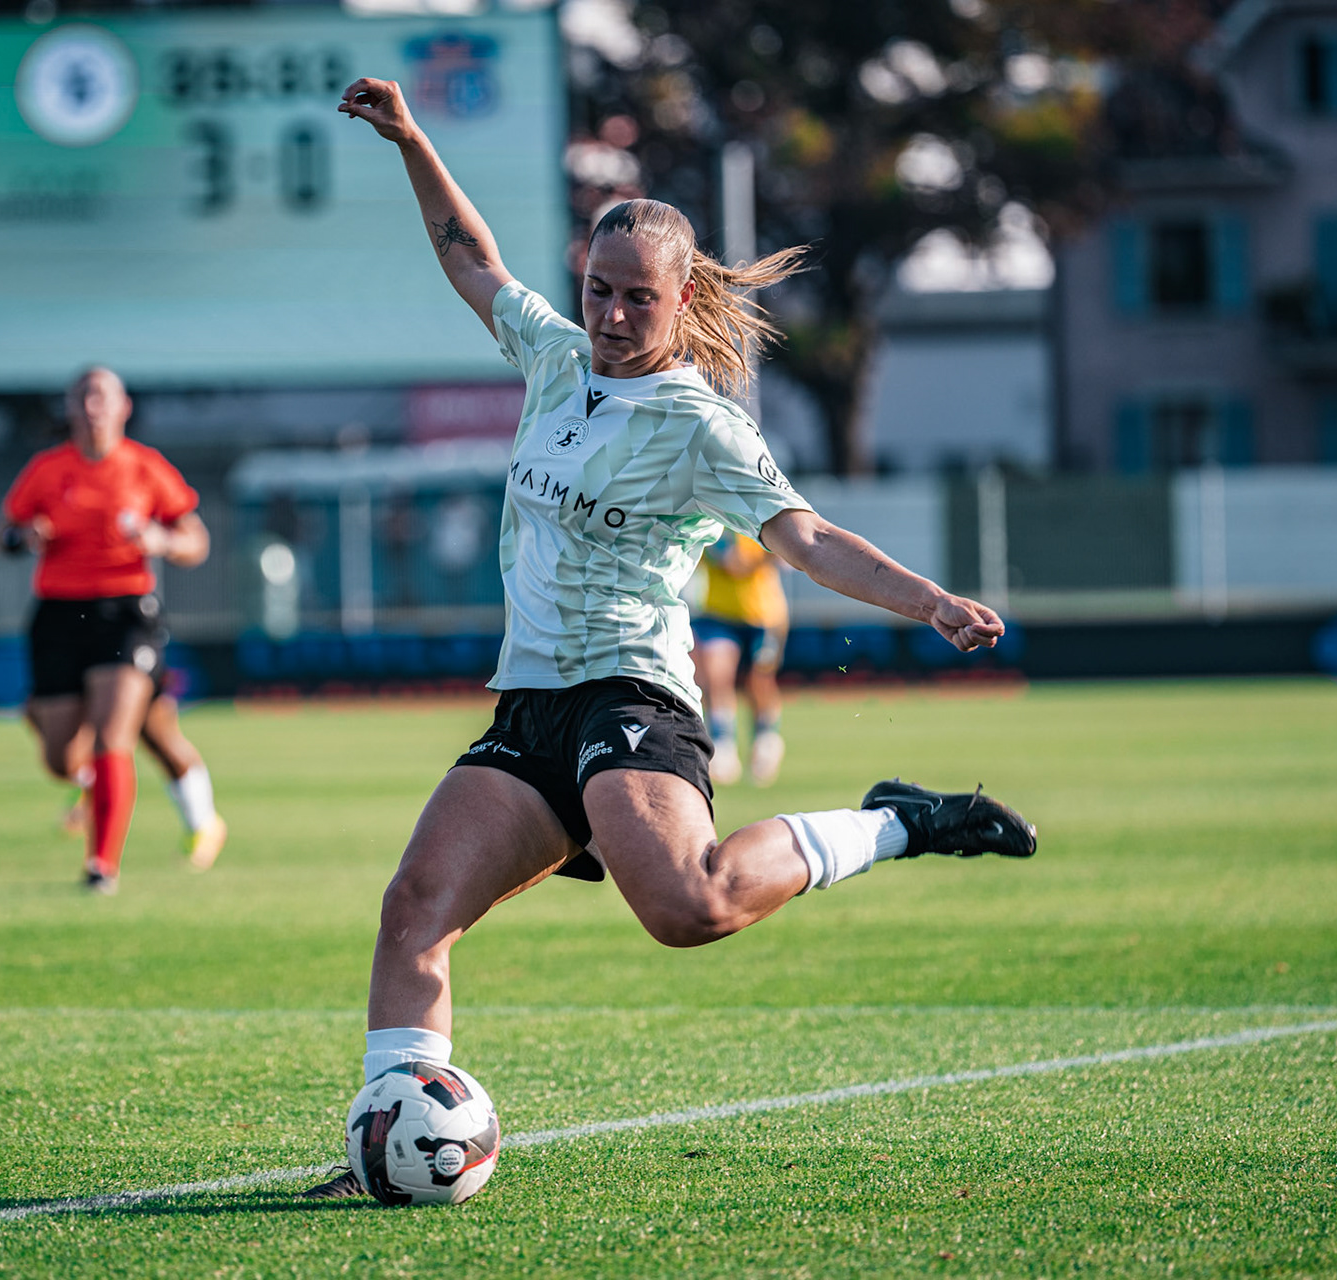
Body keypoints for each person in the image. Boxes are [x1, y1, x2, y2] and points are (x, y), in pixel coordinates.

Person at [307, 79, 1036, 1197]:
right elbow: (467, 253)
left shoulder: (704, 425)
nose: (607, 316)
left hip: (631, 699)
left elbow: (806, 537)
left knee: (690, 906)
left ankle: (893, 823)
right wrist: (412, 140)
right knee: (415, 908)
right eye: (596, 290)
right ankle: (381, 1141)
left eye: (634, 299)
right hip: (531, 707)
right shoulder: (553, 359)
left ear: (679, 293)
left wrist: (929, 600)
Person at [0, 367, 227, 893]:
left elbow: (195, 539)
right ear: (71, 409)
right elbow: (3, 531)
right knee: (63, 753)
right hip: (58, 614)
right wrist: (22, 536)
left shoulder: (145, 468)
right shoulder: (48, 469)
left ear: (124, 407)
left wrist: (160, 540)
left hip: (126, 616)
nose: (92, 404)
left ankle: (102, 865)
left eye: (103, 395)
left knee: (113, 737)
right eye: (83, 395)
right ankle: (89, 786)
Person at [51, 691, 227, 872]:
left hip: (128, 667)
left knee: (155, 736)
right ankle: (92, 785)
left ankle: (203, 823)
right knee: (61, 743)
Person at [691, 531, 790, 786]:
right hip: (717, 614)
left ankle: (766, 739)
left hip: (763, 616)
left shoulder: (757, 522)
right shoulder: (710, 526)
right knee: (716, 677)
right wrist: (767, 557)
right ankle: (722, 744)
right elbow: (733, 564)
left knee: (759, 682)